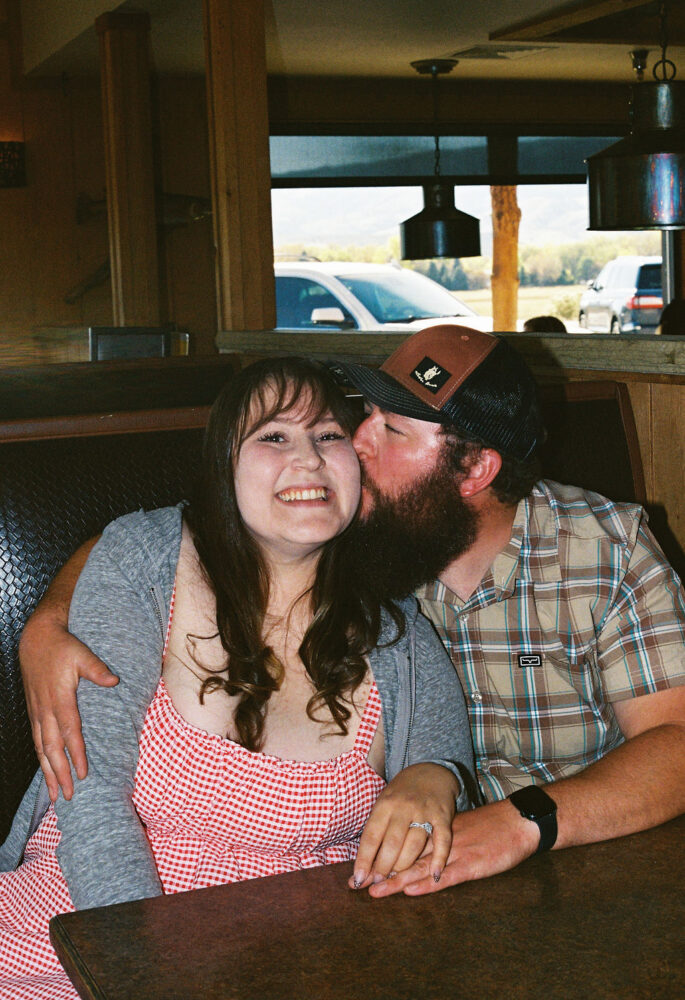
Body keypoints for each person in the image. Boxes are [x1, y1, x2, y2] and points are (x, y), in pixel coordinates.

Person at [18, 328, 685, 897]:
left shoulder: (601, 552)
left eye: (391, 430)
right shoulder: (360, 530)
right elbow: (169, 540)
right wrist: (47, 621)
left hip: (572, 862)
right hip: (407, 886)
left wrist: (518, 819)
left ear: (476, 470)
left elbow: (676, 744)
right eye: (361, 416)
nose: (357, 443)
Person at [1, 356, 475, 996]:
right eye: (273, 436)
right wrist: (146, 974)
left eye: (328, 436)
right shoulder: (146, 562)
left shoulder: (398, 634)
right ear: (225, 466)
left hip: (294, 959)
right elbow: (89, 799)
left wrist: (433, 778)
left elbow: (445, 768)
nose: (307, 458)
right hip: (86, 929)